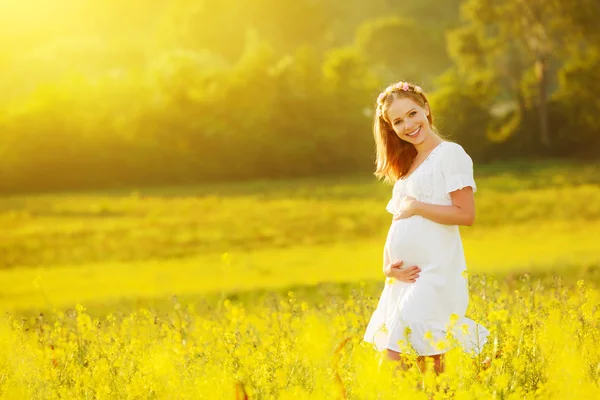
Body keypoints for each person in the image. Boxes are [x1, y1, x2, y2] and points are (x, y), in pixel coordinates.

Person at [363, 81, 489, 374]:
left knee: (394, 359)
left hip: (434, 274)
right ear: (390, 128)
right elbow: (396, 220)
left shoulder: (450, 154)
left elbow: (465, 213)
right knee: (428, 368)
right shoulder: (407, 166)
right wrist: (387, 268)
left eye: (412, 114)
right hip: (404, 279)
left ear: (426, 109)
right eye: (397, 121)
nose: (408, 124)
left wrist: (418, 206)